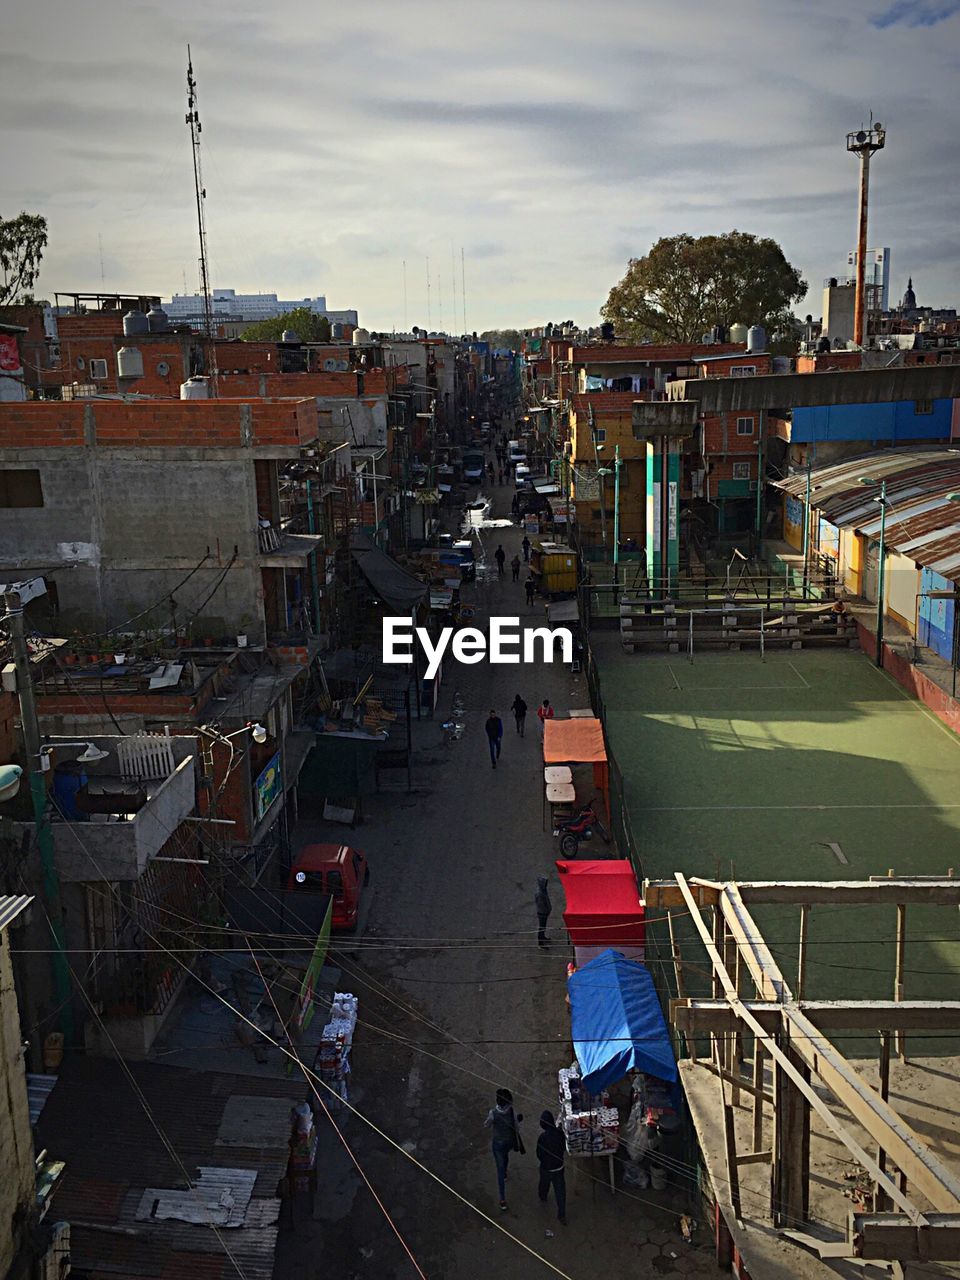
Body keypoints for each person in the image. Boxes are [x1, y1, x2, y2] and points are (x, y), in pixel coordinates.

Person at [484, 1087, 523, 1210]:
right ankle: (505, 1172)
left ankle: (502, 1198)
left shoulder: (493, 1113)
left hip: (498, 1143)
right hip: (509, 1141)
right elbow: (517, 1127)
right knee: (505, 1158)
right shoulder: (511, 1112)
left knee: (499, 1169)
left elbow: (487, 1124)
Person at [536, 1111, 567, 1224]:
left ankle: (543, 1196)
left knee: (544, 1183)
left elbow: (539, 1153)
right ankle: (561, 1214)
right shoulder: (560, 1133)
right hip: (559, 1167)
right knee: (560, 1191)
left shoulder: (542, 1137)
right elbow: (564, 1147)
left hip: (546, 1167)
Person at [535, 876, 552, 946]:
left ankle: (543, 938)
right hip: (542, 913)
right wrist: (547, 911)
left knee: (543, 927)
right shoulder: (540, 893)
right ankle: (540, 943)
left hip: (544, 912)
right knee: (541, 928)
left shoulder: (543, 890)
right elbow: (541, 905)